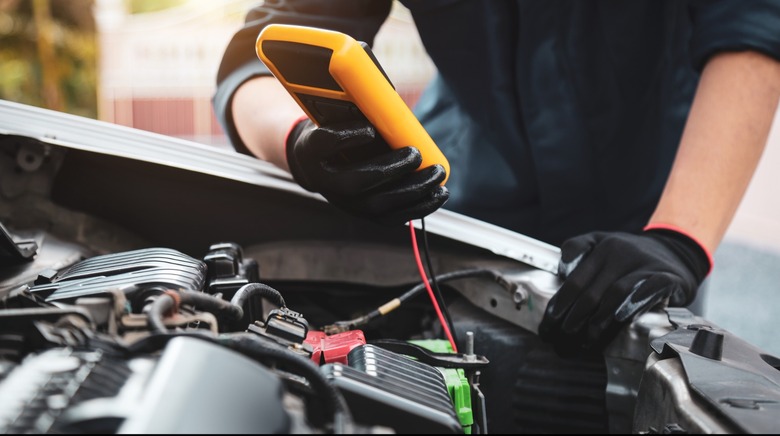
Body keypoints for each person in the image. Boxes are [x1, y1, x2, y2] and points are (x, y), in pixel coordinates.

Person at [213, 1, 780, 355]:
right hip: (460, 214)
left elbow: (753, 29)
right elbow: (258, 57)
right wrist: (301, 146)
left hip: (649, 225)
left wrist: (681, 238)